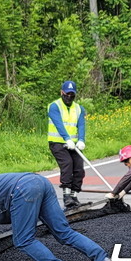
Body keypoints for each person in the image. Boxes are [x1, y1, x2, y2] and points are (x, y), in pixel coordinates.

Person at [47, 80, 87, 209]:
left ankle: (74, 195)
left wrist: (81, 140)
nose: (69, 97)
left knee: (79, 168)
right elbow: (58, 124)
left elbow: (81, 125)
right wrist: (66, 139)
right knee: (67, 164)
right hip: (57, 142)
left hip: (74, 144)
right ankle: (67, 196)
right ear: (62, 93)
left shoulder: (79, 108)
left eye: (72, 95)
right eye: (67, 94)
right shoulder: (54, 106)